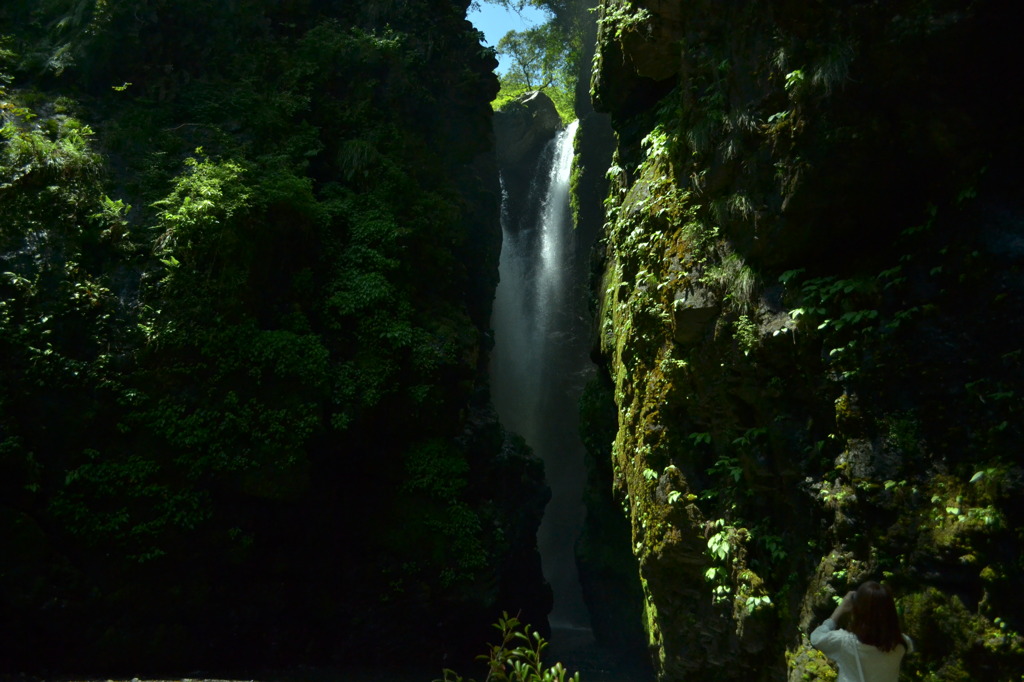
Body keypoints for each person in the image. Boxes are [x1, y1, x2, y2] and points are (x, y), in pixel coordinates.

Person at [810, 581, 913, 682]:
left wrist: (840, 609)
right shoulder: (902, 643)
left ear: (857, 610)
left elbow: (816, 638)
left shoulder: (844, 642)